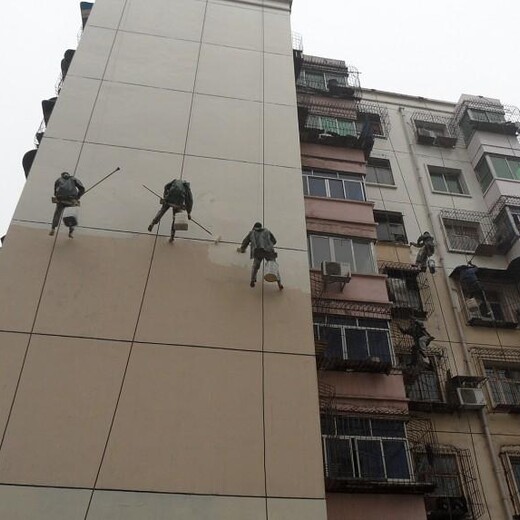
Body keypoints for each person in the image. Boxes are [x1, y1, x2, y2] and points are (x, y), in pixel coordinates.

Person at [238, 222, 283, 290]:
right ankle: (279, 284)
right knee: (273, 267)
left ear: (254, 227)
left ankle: (252, 280)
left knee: (255, 266)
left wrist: (242, 249)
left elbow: (245, 242)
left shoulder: (252, 233)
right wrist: (268, 245)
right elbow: (274, 241)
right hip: (269, 251)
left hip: (258, 252)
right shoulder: (267, 231)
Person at [50, 172, 85, 237]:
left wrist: (57, 196)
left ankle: (53, 228)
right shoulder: (73, 178)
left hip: (61, 199)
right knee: (72, 214)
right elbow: (82, 188)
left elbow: (55, 191)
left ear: (62, 175)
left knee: (57, 213)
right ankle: (71, 232)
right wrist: (78, 196)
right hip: (71, 199)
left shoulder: (58, 180)